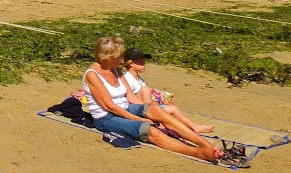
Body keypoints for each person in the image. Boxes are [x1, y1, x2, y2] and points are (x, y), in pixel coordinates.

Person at [82, 36, 222, 162]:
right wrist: (140, 119)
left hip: (124, 108)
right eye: (119, 57)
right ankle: (198, 152)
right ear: (107, 58)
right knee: (150, 130)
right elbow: (109, 106)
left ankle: (207, 145)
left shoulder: (115, 69)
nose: (122, 60)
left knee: (156, 110)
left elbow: (130, 96)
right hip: (106, 118)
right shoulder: (93, 75)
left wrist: (153, 110)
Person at [122, 48, 214, 134]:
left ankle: (195, 126)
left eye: (144, 62)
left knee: (172, 108)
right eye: (140, 62)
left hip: (146, 106)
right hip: (138, 109)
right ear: (131, 63)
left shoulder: (140, 79)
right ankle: (156, 118)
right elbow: (129, 98)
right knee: (146, 90)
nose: (144, 64)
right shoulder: (127, 79)